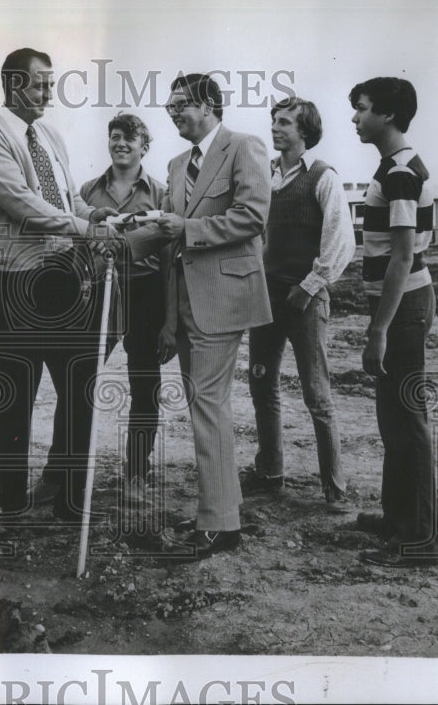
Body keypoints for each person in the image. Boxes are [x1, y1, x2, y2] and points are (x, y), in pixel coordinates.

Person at [0, 47, 144, 530]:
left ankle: (68, 494)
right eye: (41, 83)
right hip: (11, 279)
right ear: (15, 84)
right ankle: (8, 502)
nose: (48, 91)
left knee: (78, 382)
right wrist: (83, 229)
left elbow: (63, 201)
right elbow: (22, 203)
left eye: (50, 83)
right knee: (16, 389)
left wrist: (93, 216)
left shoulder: (49, 135)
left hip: (61, 278)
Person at [157, 72, 272, 561]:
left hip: (223, 297)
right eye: (169, 108)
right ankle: (221, 505)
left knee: (207, 404)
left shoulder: (245, 147)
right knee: (203, 403)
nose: (173, 114)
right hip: (185, 302)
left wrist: (188, 228)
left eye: (180, 104)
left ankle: (221, 524)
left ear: (208, 104)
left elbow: (252, 216)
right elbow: (168, 234)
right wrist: (110, 233)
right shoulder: (176, 163)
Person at [247, 97, 356, 511]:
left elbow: (340, 241)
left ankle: (335, 488)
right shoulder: (264, 177)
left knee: (317, 393)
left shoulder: (322, 177)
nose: (276, 128)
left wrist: (309, 286)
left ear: (305, 132)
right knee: (261, 383)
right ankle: (270, 472)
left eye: (286, 123)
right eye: (274, 121)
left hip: (305, 300)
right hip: (266, 297)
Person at [348, 77, 438, 568]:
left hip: (399, 309)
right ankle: (397, 518)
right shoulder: (394, 167)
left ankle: (419, 540)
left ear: (386, 114)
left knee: (407, 423)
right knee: (394, 421)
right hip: (405, 305)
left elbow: (403, 259)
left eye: (361, 109)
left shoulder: (401, 171)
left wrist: (378, 330)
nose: (355, 118)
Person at [79, 113, 167, 503]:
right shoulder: (86, 192)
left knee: (144, 385)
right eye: (115, 137)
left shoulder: (161, 193)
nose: (121, 144)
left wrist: (170, 319)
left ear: (144, 147)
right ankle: (65, 472)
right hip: (98, 293)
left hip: (145, 292)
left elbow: (169, 259)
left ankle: (135, 475)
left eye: (130, 139)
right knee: (78, 379)